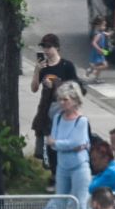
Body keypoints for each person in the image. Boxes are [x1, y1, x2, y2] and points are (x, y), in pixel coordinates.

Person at [39, 82, 91, 209]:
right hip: (63, 166)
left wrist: (62, 144)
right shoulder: (58, 118)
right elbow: (52, 142)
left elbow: (76, 141)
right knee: (61, 201)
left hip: (79, 166)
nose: (62, 103)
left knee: (80, 202)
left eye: (65, 100)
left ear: (75, 100)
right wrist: (67, 144)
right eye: (60, 99)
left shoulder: (81, 121)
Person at [29, 33, 80, 166]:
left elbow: (75, 87)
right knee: (47, 141)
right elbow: (34, 88)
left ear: (57, 47)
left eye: (48, 47)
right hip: (47, 108)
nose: (46, 50)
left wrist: (56, 84)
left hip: (63, 108)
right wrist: (36, 71)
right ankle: (50, 167)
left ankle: (58, 166)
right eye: (44, 47)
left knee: (60, 140)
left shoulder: (66, 65)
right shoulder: (43, 66)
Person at [88, 16, 112, 82]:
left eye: (105, 25)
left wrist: (112, 32)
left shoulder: (102, 33)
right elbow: (93, 43)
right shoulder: (98, 34)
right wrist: (99, 49)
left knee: (101, 65)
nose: (105, 27)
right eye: (103, 25)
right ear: (98, 26)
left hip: (101, 51)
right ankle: (93, 69)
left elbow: (108, 34)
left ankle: (96, 77)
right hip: (98, 52)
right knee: (105, 65)